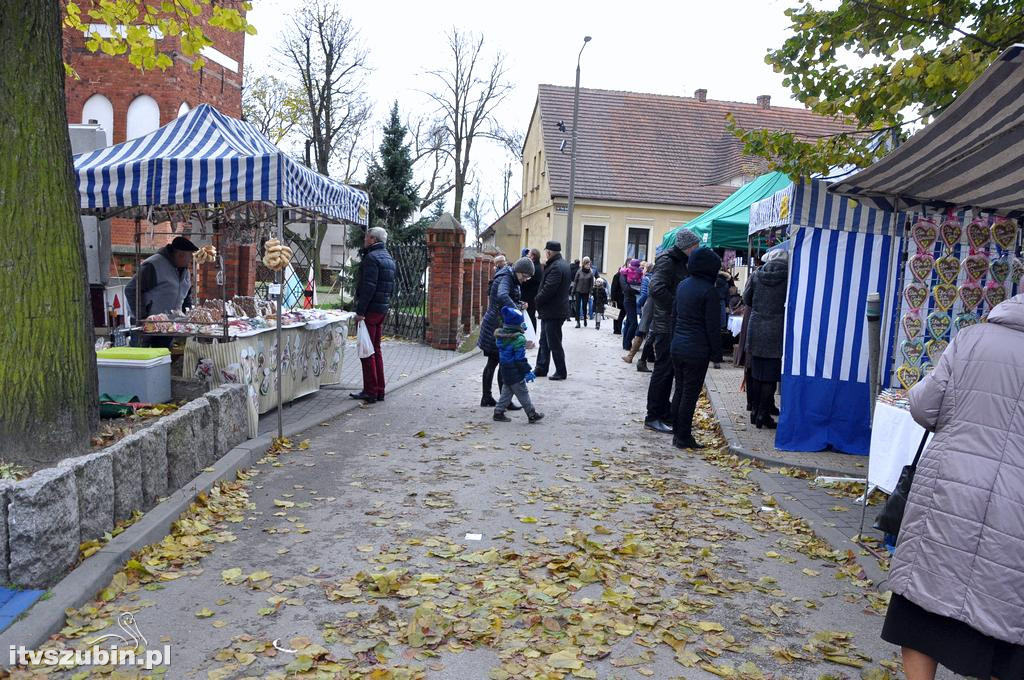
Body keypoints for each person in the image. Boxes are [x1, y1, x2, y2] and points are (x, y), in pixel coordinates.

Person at [881, 293, 1024, 680]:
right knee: (1003, 625)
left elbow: (924, 407)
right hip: (1016, 509)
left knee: (921, 611)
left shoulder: (971, 338)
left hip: (948, 489)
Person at [645, 228, 700, 433]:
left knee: (668, 371)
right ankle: (653, 416)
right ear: (687, 247)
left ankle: (663, 411)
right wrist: (678, 307)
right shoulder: (668, 261)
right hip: (665, 324)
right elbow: (656, 288)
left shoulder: (678, 261)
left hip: (670, 323)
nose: (697, 250)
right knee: (663, 370)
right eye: (695, 247)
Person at [668, 247, 723, 450]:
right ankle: (683, 437)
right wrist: (717, 354)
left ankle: (677, 432)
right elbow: (712, 326)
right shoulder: (709, 291)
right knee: (689, 394)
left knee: (680, 390)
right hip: (696, 350)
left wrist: (674, 341)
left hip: (678, 347)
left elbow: (674, 317)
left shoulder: (682, 285)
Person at [478, 257, 534, 408]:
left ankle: (490, 398)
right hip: (496, 327)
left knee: (498, 363)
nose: (526, 279)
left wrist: (519, 304)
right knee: (500, 363)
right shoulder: (506, 278)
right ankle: (499, 400)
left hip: (498, 325)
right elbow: (502, 295)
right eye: (525, 276)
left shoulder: (511, 277)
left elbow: (507, 298)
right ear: (519, 271)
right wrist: (515, 309)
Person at [742, 249, 788, 428]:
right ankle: (763, 414)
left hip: (757, 325)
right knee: (770, 375)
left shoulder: (756, 275)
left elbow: (747, 299)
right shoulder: (790, 278)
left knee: (756, 372)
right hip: (777, 328)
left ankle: (754, 412)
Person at [350, 227, 396, 404]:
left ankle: (370, 390)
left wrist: (360, 312)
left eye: (366, 237)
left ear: (372, 239)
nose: (364, 239)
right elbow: (390, 287)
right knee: (376, 350)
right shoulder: (389, 259)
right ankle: (379, 389)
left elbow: (368, 286)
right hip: (381, 309)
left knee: (366, 351)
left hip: (370, 311)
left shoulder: (371, 258)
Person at [125, 236, 199, 320]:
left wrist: (188, 316)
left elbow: (186, 297)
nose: (191, 260)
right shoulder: (154, 265)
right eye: (190, 256)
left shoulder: (185, 271)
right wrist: (143, 317)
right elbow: (131, 289)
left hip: (172, 325)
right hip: (151, 324)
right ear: (180, 255)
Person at [492, 306, 544, 424]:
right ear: (517, 325)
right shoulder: (518, 339)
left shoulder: (501, 336)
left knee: (507, 391)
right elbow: (519, 359)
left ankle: (498, 412)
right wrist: (527, 372)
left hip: (504, 367)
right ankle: (531, 414)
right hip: (515, 369)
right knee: (522, 392)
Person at [533, 240, 571, 380]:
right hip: (553, 310)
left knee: (553, 342)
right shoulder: (562, 264)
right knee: (544, 340)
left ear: (549, 252)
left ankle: (561, 371)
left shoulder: (556, 266)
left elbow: (549, 289)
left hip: (554, 310)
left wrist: (536, 300)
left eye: (546, 252)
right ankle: (541, 367)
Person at [624, 261, 653, 365]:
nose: (642, 269)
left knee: (641, 331)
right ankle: (649, 357)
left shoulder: (646, 279)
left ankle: (631, 357)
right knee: (650, 333)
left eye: (644, 268)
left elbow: (644, 294)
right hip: (655, 308)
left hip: (648, 307)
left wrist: (638, 304)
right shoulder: (655, 278)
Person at [620, 259, 644, 350]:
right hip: (628, 300)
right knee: (634, 323)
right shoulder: (623, 274)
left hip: (632, 300)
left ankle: (626, 345)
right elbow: (626, 288)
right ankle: (627, 343)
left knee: (629, 322)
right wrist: (637, 290)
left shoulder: (637, 273)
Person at [521, 248, 542, 329]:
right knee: (531, 315)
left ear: (533, 256)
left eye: (529, 254)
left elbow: (527, 281)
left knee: (530, 315)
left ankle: (531, 334)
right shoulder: (537, 265)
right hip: (532, 294)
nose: (527, 255)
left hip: (530, 295)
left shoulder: (534, 267)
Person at [572, 256, 596, 327]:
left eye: (589, 264)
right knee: (578, 306)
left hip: (586, 292)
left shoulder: (591, 273)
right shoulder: (579, 271)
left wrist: (591, 291)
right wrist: (573, 290)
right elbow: (575, 281)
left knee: (584, 307)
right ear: (584, 264)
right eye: (587, 264)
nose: (588, 265)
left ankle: (585, 319)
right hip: (578, 291)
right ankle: (578, 322)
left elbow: (592, 284)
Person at [610, 261, 627, 334]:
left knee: (620, 314)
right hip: (618, 298)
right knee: (617, 314)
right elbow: (613, 288)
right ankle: (617, 329)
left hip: (622, 298)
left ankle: (617, 329)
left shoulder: (625, 275)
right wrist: (613, 299)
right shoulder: (617, 275)